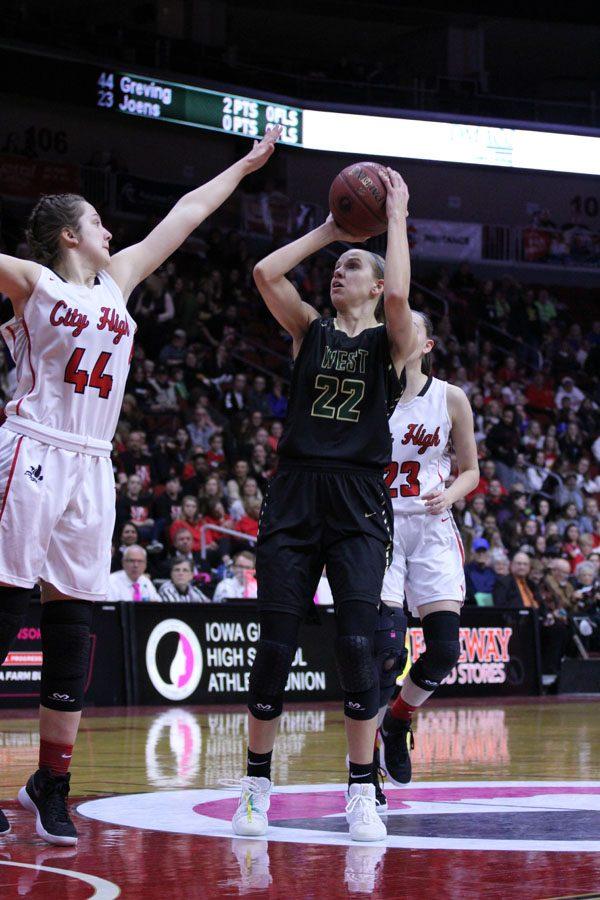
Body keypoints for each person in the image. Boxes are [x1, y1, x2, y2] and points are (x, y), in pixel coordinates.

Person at [0, 125, 281, 843]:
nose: (108, 226)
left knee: (74, 625)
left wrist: (244, 167)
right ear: (67, 235)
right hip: (33, 448)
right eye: (95, 219)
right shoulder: (35, 281)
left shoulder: (119, 279)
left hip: (95, 462)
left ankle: (50, 782)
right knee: (4, 612)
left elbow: (185, 214)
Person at [231, 168, 416, 843]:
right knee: (274, 647)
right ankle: (255, 785)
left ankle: (363, 789)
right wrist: (333, 231)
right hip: (296, 490)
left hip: (359, 499)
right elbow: (264, 272)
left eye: (354, 266)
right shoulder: (308, 329)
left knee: (358, 645)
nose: (342, 272)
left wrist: (393, 219)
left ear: (374, 284)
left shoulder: (389, 340)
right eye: (337, 267)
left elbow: (400, 291)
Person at [376, 312, 479, 788]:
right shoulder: (371, 392)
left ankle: (397, 722)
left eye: (409, 323)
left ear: (428, 343)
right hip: (380, 528)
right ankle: (363, 770)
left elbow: (471, 471)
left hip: (433, 525)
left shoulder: (450, 397)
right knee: (384, 651)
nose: (398, 326)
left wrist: (451, 494)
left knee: (443, 650)